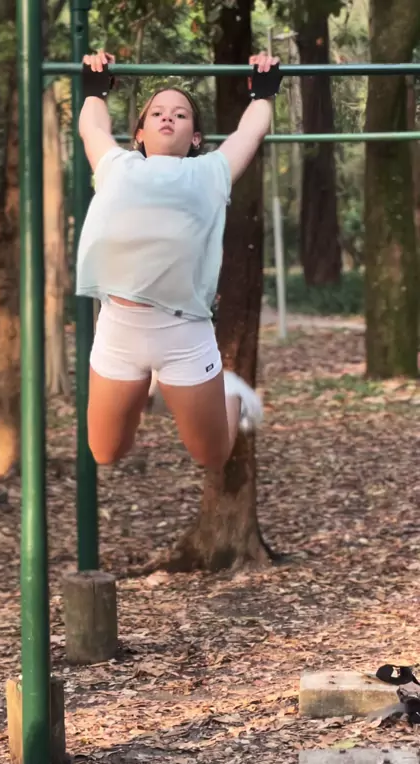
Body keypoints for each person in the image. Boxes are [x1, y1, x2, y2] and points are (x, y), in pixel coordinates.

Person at [76, 50, 282, 470]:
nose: (168, 117)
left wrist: (263, 89)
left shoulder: (210, 172)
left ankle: (229, 392)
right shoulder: (117, 166)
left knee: (213, 456)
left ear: (196, 138)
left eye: (181, 114)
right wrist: (96, 86)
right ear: (139, 133)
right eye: (157, 113)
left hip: (184, 334)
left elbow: (251, 131)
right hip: (119, 330)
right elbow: (92, 127)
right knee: (106, 452)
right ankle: (148, 391)